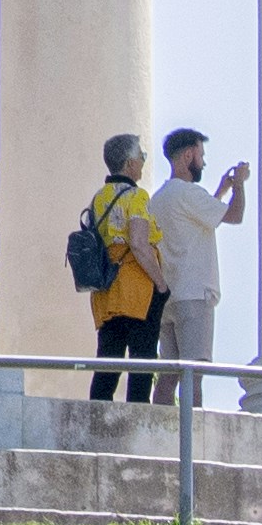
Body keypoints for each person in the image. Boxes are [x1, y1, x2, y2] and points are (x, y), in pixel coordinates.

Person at [145, 132, 247, 402]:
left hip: (168, 298)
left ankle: (161, 430)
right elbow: (235, 216)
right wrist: (239, 185)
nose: (203, 162)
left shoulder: (159, 198)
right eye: (201, 155)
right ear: (188, 155)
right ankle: (194, 432)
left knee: (168, 374)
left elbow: (199, 219)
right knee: (194, 373)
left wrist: (220, 192)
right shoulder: (189, 193)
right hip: (194, 297)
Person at [77, 133, 167, 404]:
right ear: (129, 164)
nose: (143, 161)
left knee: (108, 359)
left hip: (106, 288)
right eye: (142, 156)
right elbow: (139, 244)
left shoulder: (98, 198)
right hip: (136, 287)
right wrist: (161, 284)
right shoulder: (137, 197)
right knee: (143, 360)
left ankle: (96, 416)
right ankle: (137, 418)